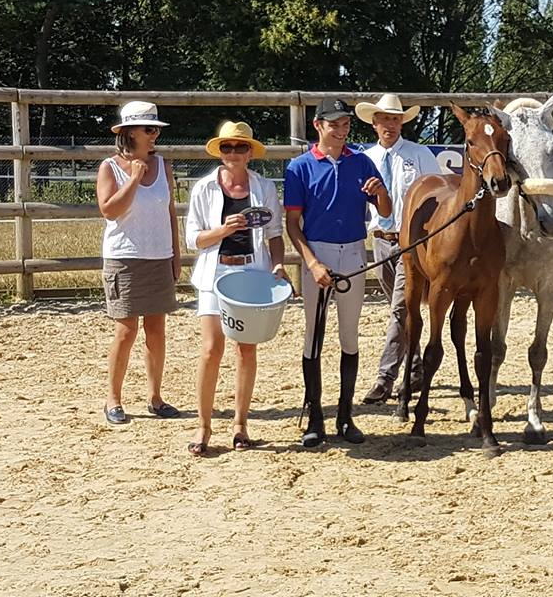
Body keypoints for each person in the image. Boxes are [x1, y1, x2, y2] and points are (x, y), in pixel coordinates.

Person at [284, 98, 392, 447]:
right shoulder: (299, 167)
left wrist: (381, 192)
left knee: (349, 334)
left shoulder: (361, 162)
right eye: (334, 125)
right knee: (313, 338)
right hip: (318, 250)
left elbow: (385, 210)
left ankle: (345, 415)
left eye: (345, 125)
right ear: (318, 125)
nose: (341, 131)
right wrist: (312, 263)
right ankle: (315, 415)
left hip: (354, 251)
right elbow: (292, 223)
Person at [184, 121, 288, 456]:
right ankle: (203, 426)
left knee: (246, 349)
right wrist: (222, 231)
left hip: (252, 273)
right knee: (211, 349)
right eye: (227, 147)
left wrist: (278, 264)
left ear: (249, 153)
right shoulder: (204, 188)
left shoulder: (264, 187)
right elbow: (193, 239)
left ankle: (241, 424)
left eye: (240, 147)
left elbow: (274, 232)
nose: (233, 153)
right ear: (220, 152)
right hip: (215, 274)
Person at [97, 101, 181, 425]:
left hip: (158, 257)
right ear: (130, 132)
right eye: (149, 129)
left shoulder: (164, 166)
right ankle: (113, 399)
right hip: (124, 258)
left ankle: (155, 397)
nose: (155, 134)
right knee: (126, 330)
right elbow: (109, 210)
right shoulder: (110, 167)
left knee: (156, 331)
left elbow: (170, 213)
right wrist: (133, 178)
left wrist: (175, 256)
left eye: (156, 128)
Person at [356, 94, 441, 403]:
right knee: (404, 310)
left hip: (413, 245)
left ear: (402, 122)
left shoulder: (419, 155)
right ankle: (416, 366)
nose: (389, 124)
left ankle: (385, 377)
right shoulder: (365, 159)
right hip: (380, 239)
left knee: (399, 308)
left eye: (395, 119)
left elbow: (438, 196)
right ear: (374, 123)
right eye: (384, 119)